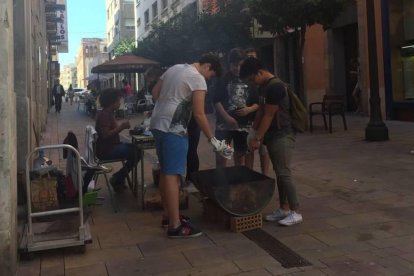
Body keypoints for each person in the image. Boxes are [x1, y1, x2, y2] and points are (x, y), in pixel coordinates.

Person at [150, 53, 229, 238]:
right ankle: (175, 226)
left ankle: (168, 215)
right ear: (208, 66)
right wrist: (213, 139)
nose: (209, 80)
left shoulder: (174, 68)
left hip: (157, 123)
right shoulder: (197, 78)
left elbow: (155, 93)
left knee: (165, 171)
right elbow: (199, 114)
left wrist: (167, 105)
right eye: (211, 76)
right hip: (173, 128)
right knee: (172, 174)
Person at [240, 57, 303, 226]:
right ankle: (283, 208)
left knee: (284, 172)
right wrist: (253, 131)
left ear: (260, 72)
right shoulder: (264, 87)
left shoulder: (275, 87)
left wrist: (257, 138)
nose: (253, 83)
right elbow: (261, 111)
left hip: (283, 134)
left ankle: (295, 211)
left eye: (253, 79)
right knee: (279, 171)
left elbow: (269, 115)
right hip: (274, 135)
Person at [213, 48, 259, 168]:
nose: (237, 68)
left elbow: (257, 102)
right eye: (235, 65)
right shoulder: (222, 79)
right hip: (223, 125)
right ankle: (221, 182)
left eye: (240, 65)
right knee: (222, 156)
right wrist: (227, 118)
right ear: (230, 64)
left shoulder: (250, 79)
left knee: (240, 157)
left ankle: (238, 181)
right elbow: (216, 101)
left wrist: (249, 109)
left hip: (243, 126)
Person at [95, 88, 140, 192]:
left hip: (111, 146)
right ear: (112, 102)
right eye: (118, 101)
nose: (120, 103)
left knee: (135, 149)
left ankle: (119, 179)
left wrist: (121, 127)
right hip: (107, 150)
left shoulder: (107, 113)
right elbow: (105, 135)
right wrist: (121, 127)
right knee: (136, 152)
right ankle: (118, 178)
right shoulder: (105, 115)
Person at [244, 48, 270, 175]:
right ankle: (249, 174)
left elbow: (265, 110)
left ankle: (265, 175)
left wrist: (257, 134)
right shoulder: (248, 79)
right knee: (249, 149)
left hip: (263, 121)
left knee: (264, 150)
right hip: (250, 120)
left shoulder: (266, 83)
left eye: (253, 57)